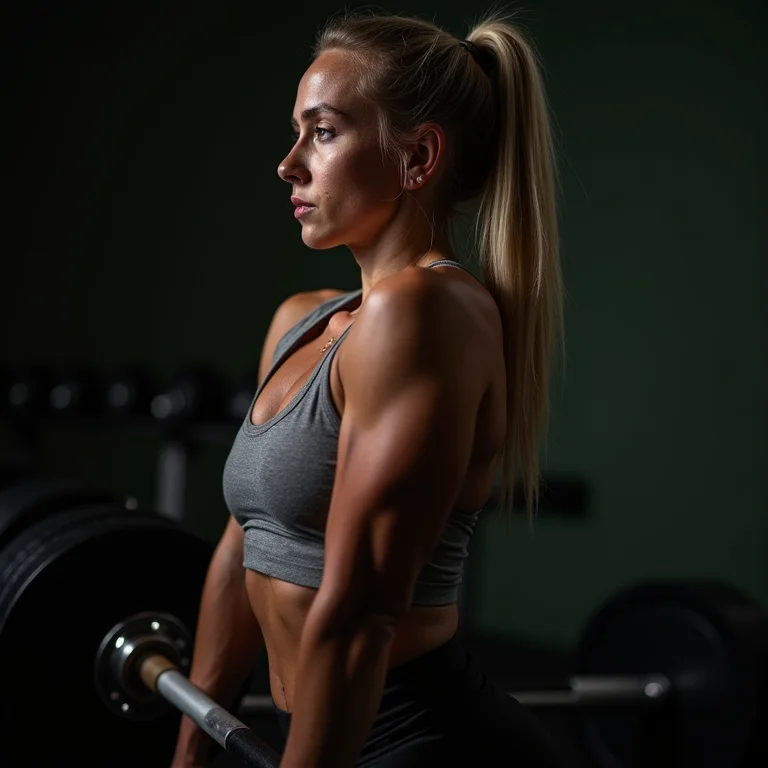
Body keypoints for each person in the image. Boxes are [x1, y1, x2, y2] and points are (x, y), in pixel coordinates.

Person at [171, 9, 565, 767]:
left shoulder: (427, 312)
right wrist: (191, 750)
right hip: (323, 732)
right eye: (298, 131)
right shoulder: (303, 322)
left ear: (418, 157)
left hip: (415, 738)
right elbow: (240, 547)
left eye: (322, 132)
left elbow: (360, 614)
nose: (289, 163)